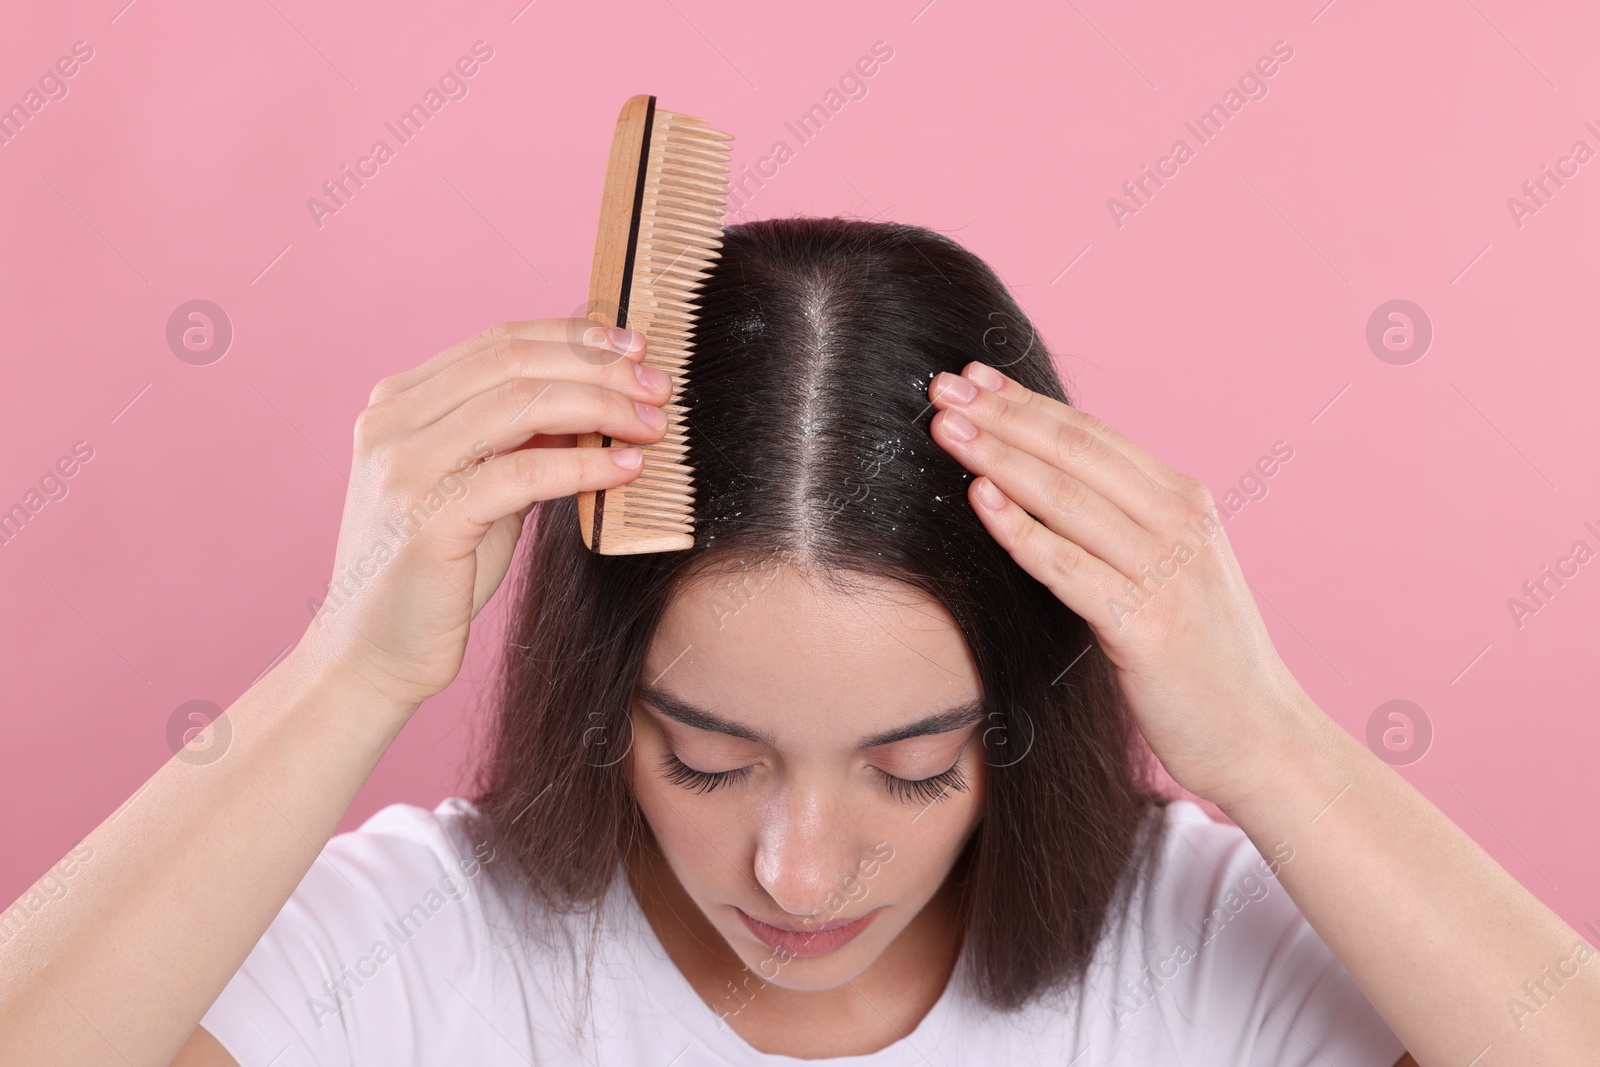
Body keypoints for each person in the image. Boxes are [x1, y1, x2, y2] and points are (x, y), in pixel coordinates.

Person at [0, 217, 1594, 1066]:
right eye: (707, 757)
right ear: (602, 697)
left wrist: (1274, 746)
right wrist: (347, 673)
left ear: (1016, 717)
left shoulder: (1194, 955)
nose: (801, 875)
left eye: (912, 769)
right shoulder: (426, 948)